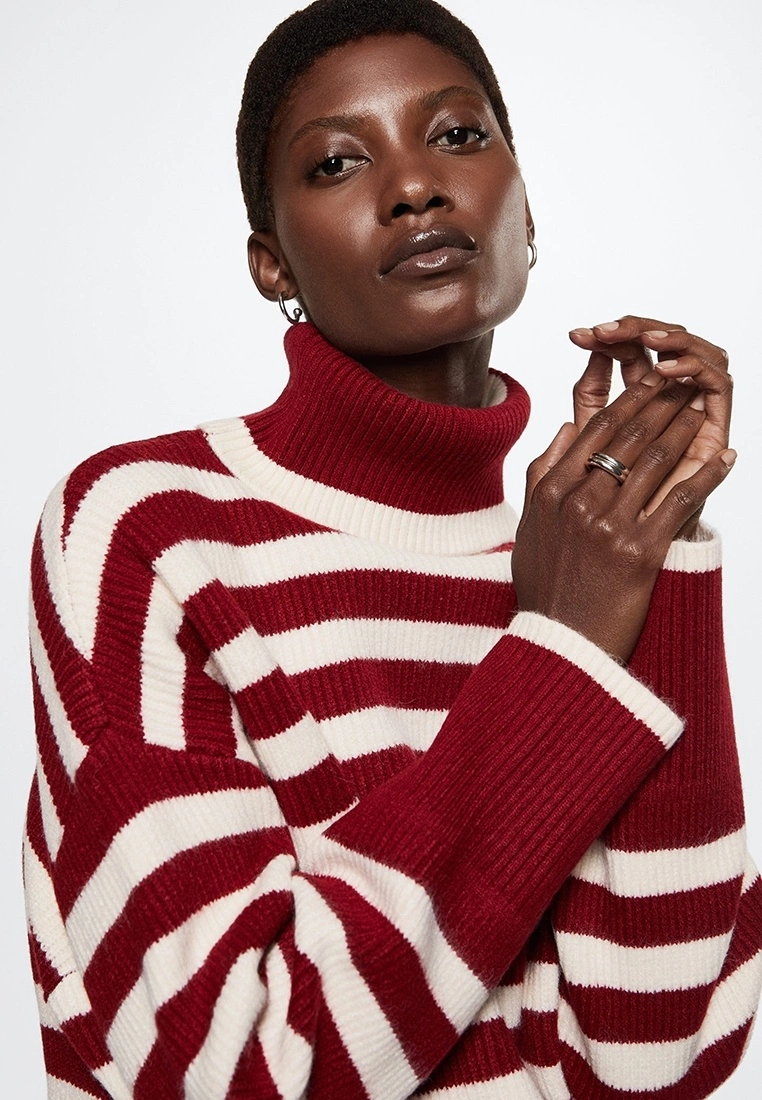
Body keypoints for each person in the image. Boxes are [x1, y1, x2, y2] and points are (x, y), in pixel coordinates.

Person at [23, 0, 762, 1096]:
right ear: (272, 264)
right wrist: (558, 651)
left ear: (527, 208)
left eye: (457, 135)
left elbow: (654, 1057)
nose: (415, 185)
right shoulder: (149, 527)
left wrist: (662, 543)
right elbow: (243, 1064)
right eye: (336, 162)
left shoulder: (578, 556)